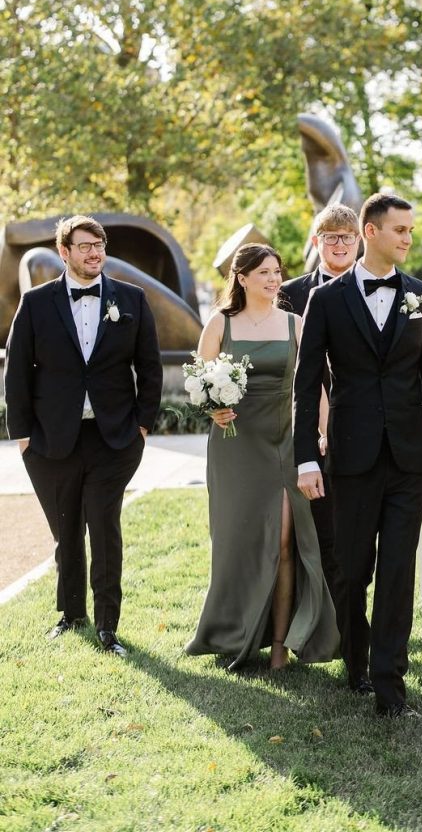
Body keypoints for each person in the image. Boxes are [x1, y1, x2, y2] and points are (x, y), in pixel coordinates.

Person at [293, 192, 422, 718]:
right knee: (351, 570)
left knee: (397, 570)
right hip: (348, 456)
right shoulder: (324, 300)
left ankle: (391, 685)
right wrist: (306, 457)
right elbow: (305, 386)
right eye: (400, 230)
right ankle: (356, 662)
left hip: (409, 459)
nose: (408, 239)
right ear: (371, 232)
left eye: (411, 230)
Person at [4, 215, 162, 655]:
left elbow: (149, 368)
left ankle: (108, 626)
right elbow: (16, 372)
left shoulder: (132, 298)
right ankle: (71, 614)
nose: (95, 252)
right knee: (67, 531)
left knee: (104, 527)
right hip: (51, 441)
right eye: (86, 246)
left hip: (115, 438)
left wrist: (142, 427)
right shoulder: (36, 303)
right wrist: (23, 438)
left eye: (100, 244)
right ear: (65, 252)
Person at [185, 244, 338, 671]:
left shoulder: (296, 323)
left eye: (277, 272)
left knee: (287, 541)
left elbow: (315, 386)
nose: (274, 279)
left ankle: (280, 645)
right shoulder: (220, 323)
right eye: (264, 273)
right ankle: (235, 634)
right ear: (243, 278)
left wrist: (324, 433)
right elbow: (199, 384)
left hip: (287, 440)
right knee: (239, 541)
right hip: (236, 444)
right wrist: (213, 408)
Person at [280, 203, 361, 635]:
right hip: (308, 423)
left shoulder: (375, 287)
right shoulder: (291, 293)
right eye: (330, 237)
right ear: (317, 242)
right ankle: (328, 624)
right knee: (319, 533)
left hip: (361, 425)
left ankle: (355, 623)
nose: (340, 244)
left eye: (347, 237)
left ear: (359, 240)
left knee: (360, 534)